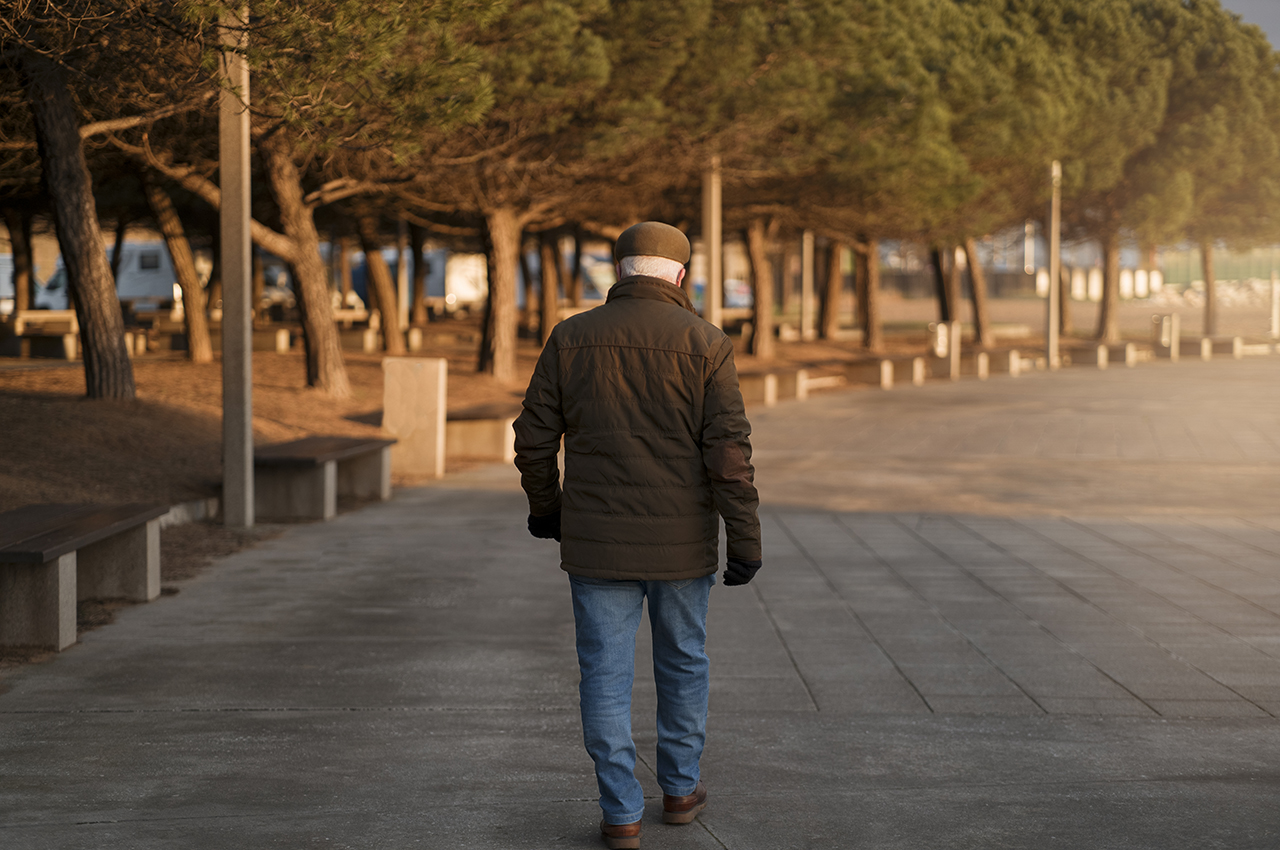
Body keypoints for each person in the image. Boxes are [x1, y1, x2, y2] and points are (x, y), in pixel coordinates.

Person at [513, 221, 762, 849]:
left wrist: (548, 511)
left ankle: (620, 813)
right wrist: (745, 539)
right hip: (682, 547)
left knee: (603, 672)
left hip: (595, 543)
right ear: (680, 275)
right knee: (683, 662)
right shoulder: (706, 342)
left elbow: (534, 438)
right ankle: (679, 790)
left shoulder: (571, 338)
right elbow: (728, 454)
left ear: (617, 270)